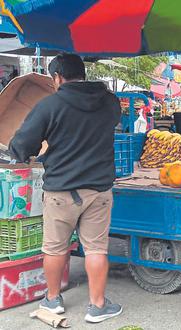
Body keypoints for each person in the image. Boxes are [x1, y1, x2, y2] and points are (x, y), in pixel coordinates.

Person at [8, 53, 123, 323]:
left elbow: (23, 145)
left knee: (55, 248)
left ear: (57, 78)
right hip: (99, 190)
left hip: (61, 190)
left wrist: (21, 152)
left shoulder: (50, 105)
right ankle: (97, 306)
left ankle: (52, 299)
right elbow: (111, 121)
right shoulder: (110, 102)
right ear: (82, 74)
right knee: (96, 248)